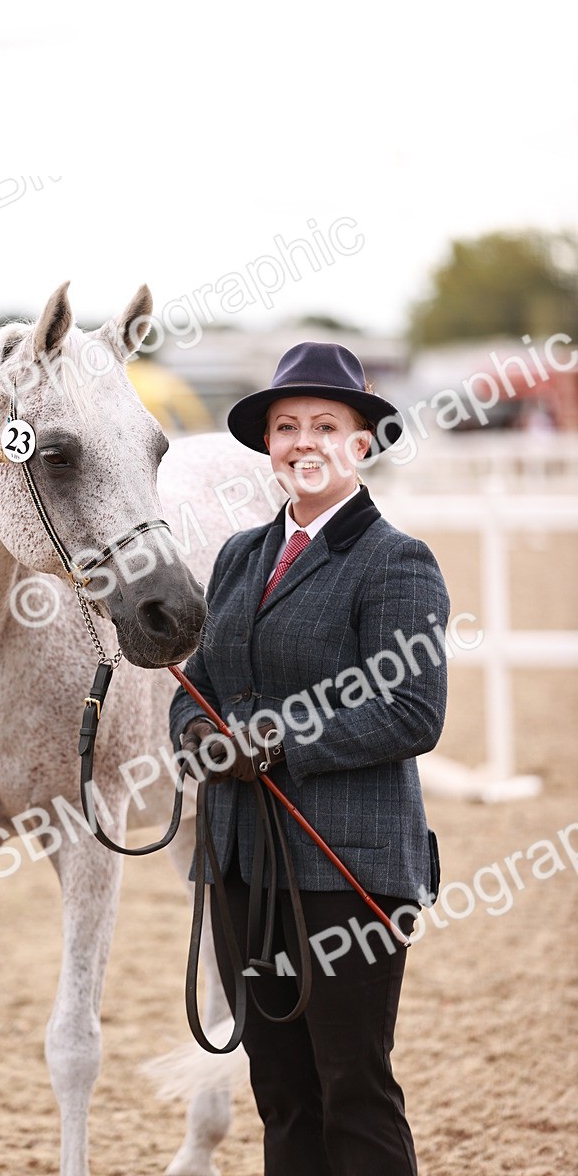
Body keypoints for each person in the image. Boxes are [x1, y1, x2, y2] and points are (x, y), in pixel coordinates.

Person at [169, 341, 449, 1176]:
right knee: (281, 1092)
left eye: (325, 425)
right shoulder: (239, 556)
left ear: (360, 442)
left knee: (353, 1089)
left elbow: (411, 710)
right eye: (287, 426)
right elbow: (199, 685)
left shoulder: (396, 561)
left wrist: (276, 740)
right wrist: (197, 736)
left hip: (348, 868)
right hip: (241, 864)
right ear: (269, 444)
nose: (304, 442)